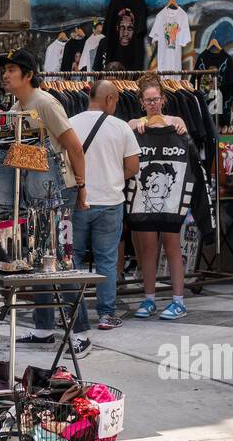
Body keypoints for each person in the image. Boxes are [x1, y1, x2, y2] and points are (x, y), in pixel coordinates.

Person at [0, 49, 92, 356]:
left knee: (63, 259)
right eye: (5, 70)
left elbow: (74, 146)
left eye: (12, 69)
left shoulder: (46, 103)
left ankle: (80, 332)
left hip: (59, 191)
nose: (6, 75)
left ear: (28, 74)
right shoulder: (15, 108)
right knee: (36, 258)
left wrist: (82, 186)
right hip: (33, 195)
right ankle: (43, 327)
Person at [69, 80, 141, 331]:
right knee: (107, 261)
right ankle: (106, 315)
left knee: (73, 259)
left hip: (78, 201)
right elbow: (133, 167)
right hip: (111, 203)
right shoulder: (121, 127)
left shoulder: (71, 123)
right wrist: (111, 176)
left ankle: (74, 316)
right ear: (110, 99)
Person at [128, 74, 192, 320]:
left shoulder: (175, 121)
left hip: (171, 197)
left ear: (163, 100)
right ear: (141, 102)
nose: (152, 103)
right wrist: (136, 127)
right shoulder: (135, 123)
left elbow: (186, 143)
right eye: (148, 100)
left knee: (172, 245)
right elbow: (124, 132)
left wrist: (181, 129)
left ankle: (178, 300)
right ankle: (149, 298)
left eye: (156, 99)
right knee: (148, 247)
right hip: (144, 197)